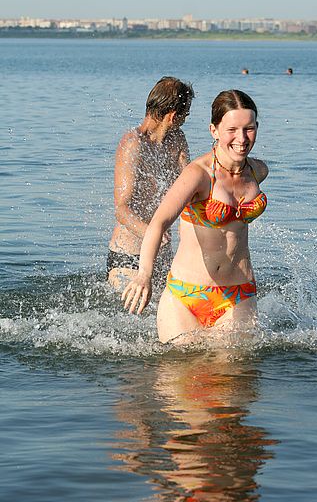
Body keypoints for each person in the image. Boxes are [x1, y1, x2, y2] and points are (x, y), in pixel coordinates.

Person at [122, 89, 269, 344]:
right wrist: (144, 274)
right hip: (185, 298)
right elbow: (158, 224)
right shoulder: (198, 175)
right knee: (181, 376)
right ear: (214, 131)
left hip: (239, 295)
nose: (242, 138)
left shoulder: (258, 171)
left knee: (233, 380)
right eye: (232, 129)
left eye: (249, 128)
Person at [107, 76, 194, 294]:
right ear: (173, 116)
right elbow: (121, 209)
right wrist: (151, 234)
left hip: (162, 254)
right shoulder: (132, 144)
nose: (185, 120)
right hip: (128, 256)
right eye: (186, 115)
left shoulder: (177, 140)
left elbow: (191, 185)